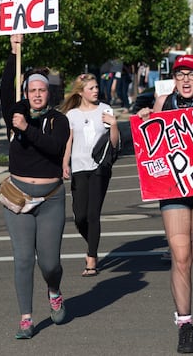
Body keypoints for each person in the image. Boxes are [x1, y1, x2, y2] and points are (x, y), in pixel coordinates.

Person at [136, 54, 193, 352]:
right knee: (180, 255)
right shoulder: (163, 103)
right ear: (174, 79)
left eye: (192, 74)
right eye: (180, 74)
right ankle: (185, 324)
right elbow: (152, 145)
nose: (185, 80)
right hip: (173, 188)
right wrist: (146, 122)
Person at [0, 34, 70, 339]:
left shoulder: (59, 120)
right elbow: (5, 89)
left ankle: (54, 288)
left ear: (48, 93)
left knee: (50, 262)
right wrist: (14, 52)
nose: (37, 94)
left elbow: (55, 150)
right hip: (18, 197)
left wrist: (28, 129)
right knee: (23, 257)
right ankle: (26, 318)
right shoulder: (15, 115)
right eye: (32, 90)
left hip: (51, 199)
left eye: (42, 90)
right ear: (26, 92)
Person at [60, 73, 120, 277]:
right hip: (78, 167)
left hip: (99, 168)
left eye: (96, 87)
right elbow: (69, 141)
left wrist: (114, 125)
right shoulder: (72, 115)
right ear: (81, 92)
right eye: (91, 88)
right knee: (80, 216)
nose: (96, 90)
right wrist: (64, 163)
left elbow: (114, 144)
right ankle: (93, 241)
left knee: (93, 214)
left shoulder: (105, 110)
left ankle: (91, 258)